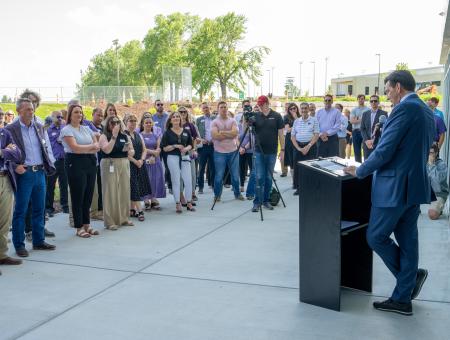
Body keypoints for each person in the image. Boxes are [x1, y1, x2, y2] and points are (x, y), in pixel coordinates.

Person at [344, 70, 435, 315]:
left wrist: (360, 169)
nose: (386, 95)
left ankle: (409, 280)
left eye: (387, 89)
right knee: (408, 242)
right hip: (414, 188)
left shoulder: (404, 109)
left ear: (397, 86)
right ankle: (403, 298)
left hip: (393, 188)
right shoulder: (426, 110)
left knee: (375, 236)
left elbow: (384, 152)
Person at [5, 98, 56, 257]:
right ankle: (19, 245)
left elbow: (45, 148)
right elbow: (4, 154)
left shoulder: (39, 127)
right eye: (27, 109)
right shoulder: (10, 130)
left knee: (39, 209)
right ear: (19, 111)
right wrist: (15, 167)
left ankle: (38, 241)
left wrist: (49, 165)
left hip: (39, 172)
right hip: (24, 174)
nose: (31, 112)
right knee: (21, 210)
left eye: (32, 109)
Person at [60, 104, 100, 238]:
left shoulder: (87, 128)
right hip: (74, 163)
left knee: (88, 195)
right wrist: (90, 147)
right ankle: (79, 227)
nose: (79, 114)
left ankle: (87, 225)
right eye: (76, 112)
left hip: (89, 162)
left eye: (81, 112)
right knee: (78, 196)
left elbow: (97, 147)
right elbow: (75, 148)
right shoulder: (66, 130)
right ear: (70, 115)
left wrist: (87, 148)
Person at [99, 115, 135, 230]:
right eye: (112, 123)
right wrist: (113, 136)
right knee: (110, 192)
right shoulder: (104, 136)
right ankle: (110, 221)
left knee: (124, 191)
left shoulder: (125, 136)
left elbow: (132, 150)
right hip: (109, 163)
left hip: (124, 163)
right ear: (108, 124)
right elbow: (107, 150)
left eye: (117, 122)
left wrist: (130, 150)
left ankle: (124, 218)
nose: (115, 125)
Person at [251, 95, 284, 212]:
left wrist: (283, 150)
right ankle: (257, 202)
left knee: (269, 178)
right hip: (259, 151)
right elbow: (246, 128)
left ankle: (265, 201)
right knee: (259, 177)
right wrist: (247, 120)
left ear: (267, 104)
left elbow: (281, 134)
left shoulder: (277, 116)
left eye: (261, 104)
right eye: (258, 105)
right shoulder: (255, 116)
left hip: (272, 152)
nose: (259, 106)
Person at [161, 111, 195, 213]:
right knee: (176, 181)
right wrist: (175, 146)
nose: (176, 118)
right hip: (172, 158)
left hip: (185, 158)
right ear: (171, 120)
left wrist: (186, 149)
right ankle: (177, 203)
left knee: (188, 181)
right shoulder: (167, 133)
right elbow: (164, 148)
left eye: (177, 117)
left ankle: (189, 202)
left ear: (180, 119)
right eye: (174, 117)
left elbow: (191, 145)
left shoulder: (186, 131)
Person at [0, 125, 23, 272]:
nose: (1, 116)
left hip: (5, 178)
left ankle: (1, 254)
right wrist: (6, 150)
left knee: (5, 220)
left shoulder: (5, 133)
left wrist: (2, 152)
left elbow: (17, 154)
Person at [211, 101, 244, 202]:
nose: (224, 109)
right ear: (218, 109)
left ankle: (237, 194)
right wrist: (229, 134)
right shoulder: (214, 122)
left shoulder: (233, 121)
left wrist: (223, 132)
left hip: (233, 151)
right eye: (221, 107)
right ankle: (217, 195)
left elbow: (235, 133)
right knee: (219, 176)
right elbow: (215, 136)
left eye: (225, 107)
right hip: (219, 153)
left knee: (235, 175)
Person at [124, 113, 152, 222]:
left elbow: (144, 149)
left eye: (134, 121)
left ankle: (132, 210)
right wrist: (136, 162)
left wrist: (141, 160)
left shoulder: (138, 135)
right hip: (130, 164)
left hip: (140, 163)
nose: (133, 123)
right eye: (130, 121)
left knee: (138, 187)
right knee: (134, 187)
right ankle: (140, 210)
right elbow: (125, 153)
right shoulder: (124, 135)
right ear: (126, 123)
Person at [291, 103, 319, 195]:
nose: (304, 110)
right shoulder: (296, 121)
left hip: (310, 147)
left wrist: (308, 146)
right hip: (298, 147)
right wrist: (299, 148)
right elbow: (292, 136)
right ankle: (299, 188)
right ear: (300, 109)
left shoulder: (314, 120)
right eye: (302, 108)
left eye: (305, 108)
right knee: (298, 169)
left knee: (310, 168)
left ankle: (310, 188)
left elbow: (316, 135)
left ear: (308, 109)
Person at [140, 113, 165, 210]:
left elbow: (159, 147)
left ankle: (153, 198)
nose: (148, 124)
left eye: (150, 122)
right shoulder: (140, 135)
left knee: (155, 179)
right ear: (143, 124)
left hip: (155, 160)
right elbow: (143, 148)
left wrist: (155, 154)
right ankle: (146, 199)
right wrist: (153, 152)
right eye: (146, 123)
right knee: (146, 180)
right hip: (145, 160)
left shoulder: (156, 135)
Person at [46, 111, 69, 216]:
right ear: (52, 117)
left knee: (64, 184)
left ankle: (65, 206)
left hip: (64, 160)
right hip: (53, 161)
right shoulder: (48, 130)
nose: (60, 118)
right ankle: (49, 208)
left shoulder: (64, 129)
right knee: (50, 185)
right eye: (58, 117)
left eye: (61, 117)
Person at [196, 102, 216, 194]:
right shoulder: (199, 120)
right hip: (203, 147)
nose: (205, 109)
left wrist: (214, 139)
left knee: (212, 167)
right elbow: (195, 133)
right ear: (201, 109)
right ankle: (200, 187)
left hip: (213, 146)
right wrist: (201, 139)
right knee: (201, 168)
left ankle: (212, 184)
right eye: (204, 108)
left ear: (210, 108)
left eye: (207, 107)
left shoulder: (215, 118)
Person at [180, 106, 199, 201]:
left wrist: (194, 150)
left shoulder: (190, 125)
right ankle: (181, 195)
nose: (183, 113)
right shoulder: (175, 124)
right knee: (180, 175)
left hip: (190, 152)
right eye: (181, 112)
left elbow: (195, 139)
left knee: (192, 174)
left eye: (184, 112)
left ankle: (192, 193)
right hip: (178, 153)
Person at [360, 95, 388, 160]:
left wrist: (374, 140)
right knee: (366, 164)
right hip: (367, 144)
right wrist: (366, 140)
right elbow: (362, 128)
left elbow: (384, 129)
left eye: (375, 101)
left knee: (377, 164)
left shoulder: (384, 114)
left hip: (378, 144)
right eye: (371, 101)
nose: (373, 102)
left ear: (378, 102)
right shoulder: (365, 114)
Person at [427, 143, 448, 220]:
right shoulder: (424, 162)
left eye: (431, 153)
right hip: (427, 193)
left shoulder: (442, 165)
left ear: (436, 153)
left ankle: (439, 207)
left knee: (432, 215)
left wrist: (432, 165)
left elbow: (437, 180)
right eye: (428, 152)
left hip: (438, 194)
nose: (429, 155)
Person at [90, 107, 104, 220]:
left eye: (102, 116)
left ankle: (101, 209)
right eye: (98, 115)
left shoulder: (103, 128)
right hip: (93, 160)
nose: (100, 117)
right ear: (93, 114)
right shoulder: (88, 127)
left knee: (101, 185)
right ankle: (95, 211)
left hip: (103, 160)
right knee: (95, 187)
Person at [350, 94, 369, 163]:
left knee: (366, 149)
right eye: (360, 99)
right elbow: (352, 121)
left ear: (364, 100)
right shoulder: (354, 110)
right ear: (357, 100)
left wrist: (357, 118)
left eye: (362, 99)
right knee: (356, 150)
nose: (361, 100)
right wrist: (362, 119)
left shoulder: (368, 109)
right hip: (356, 132)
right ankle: (358, 166)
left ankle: (366, 166)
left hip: (365, 131)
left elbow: (368, 121)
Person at [282, 103, 299, 177]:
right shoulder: (286, 117)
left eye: (294, 108)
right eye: (291, 109)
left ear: (297, 108)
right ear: (288, 110)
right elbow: (288, 130)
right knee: (291, 160)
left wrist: (296, 119)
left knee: (298, 159)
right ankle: (294, 181)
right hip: (290, 139)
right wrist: (296, 123)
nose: (293, 110)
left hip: (299, 140)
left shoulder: (301, 116)